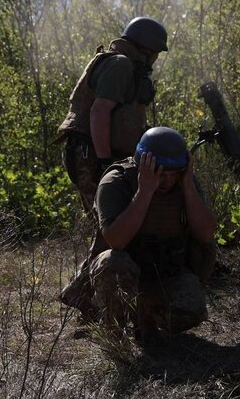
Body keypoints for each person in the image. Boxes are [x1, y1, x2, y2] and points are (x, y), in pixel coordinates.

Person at [57, 16, 168, 320]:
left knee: (109, 227)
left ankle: (84, 295)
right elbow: (99, 111)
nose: (156, 59)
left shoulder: (129, 68)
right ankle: (84, 293)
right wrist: (105, 162)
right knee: (112, 225)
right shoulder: (119, 65)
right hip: (91, 155)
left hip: (102, 154)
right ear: (144, 48)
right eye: (155, 52)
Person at [90, 127, 217, 345]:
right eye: (161, 173)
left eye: (173, 174)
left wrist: (187, 186)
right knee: (112, 261)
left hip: (163, 273)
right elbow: (116, 240)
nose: (167, 181)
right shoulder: (116, 182)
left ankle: (145, 313)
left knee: (192, 310)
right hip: (124, 273)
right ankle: (113, 331)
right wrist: (145, 191)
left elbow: (206, 234)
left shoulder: (184, 182)